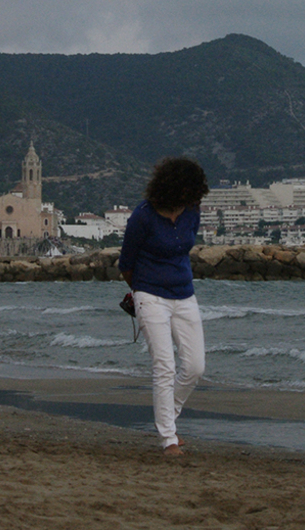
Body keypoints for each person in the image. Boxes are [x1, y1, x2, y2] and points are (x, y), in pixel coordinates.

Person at [118, 156, 210, 455]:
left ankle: (168, 417)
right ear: (173, 188)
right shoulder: (142, 216)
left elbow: (185, 249)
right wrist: (142, 295)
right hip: (149, 294)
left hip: (184, 293)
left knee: (195, 366)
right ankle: (168, 439)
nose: (192, 198)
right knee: (164, 365)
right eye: (188, 192)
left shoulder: (192, 213)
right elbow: (126, 264)